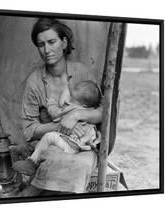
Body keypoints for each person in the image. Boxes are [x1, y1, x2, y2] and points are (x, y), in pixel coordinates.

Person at [20, 18, 103, 195]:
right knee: (52, 163)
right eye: (41, 44)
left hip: (82, 145)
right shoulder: (35, 81)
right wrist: (61, 125)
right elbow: (28, 130)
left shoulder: (80, 72)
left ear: (64, 43)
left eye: (52, 42)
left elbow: (103, 112)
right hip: (51, 144)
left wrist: (77, 115)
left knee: (79, 166)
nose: (46, 50)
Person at [13, 80, 101, 176]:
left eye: (72, 100)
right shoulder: (89, 112)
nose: (68, 101)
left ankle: (31, 163)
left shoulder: (72, 109)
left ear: (83, 106)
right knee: (43, 144)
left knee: (48, 137)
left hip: (71, 145)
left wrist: (51, 102)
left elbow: (55, 113)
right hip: (78, 144)